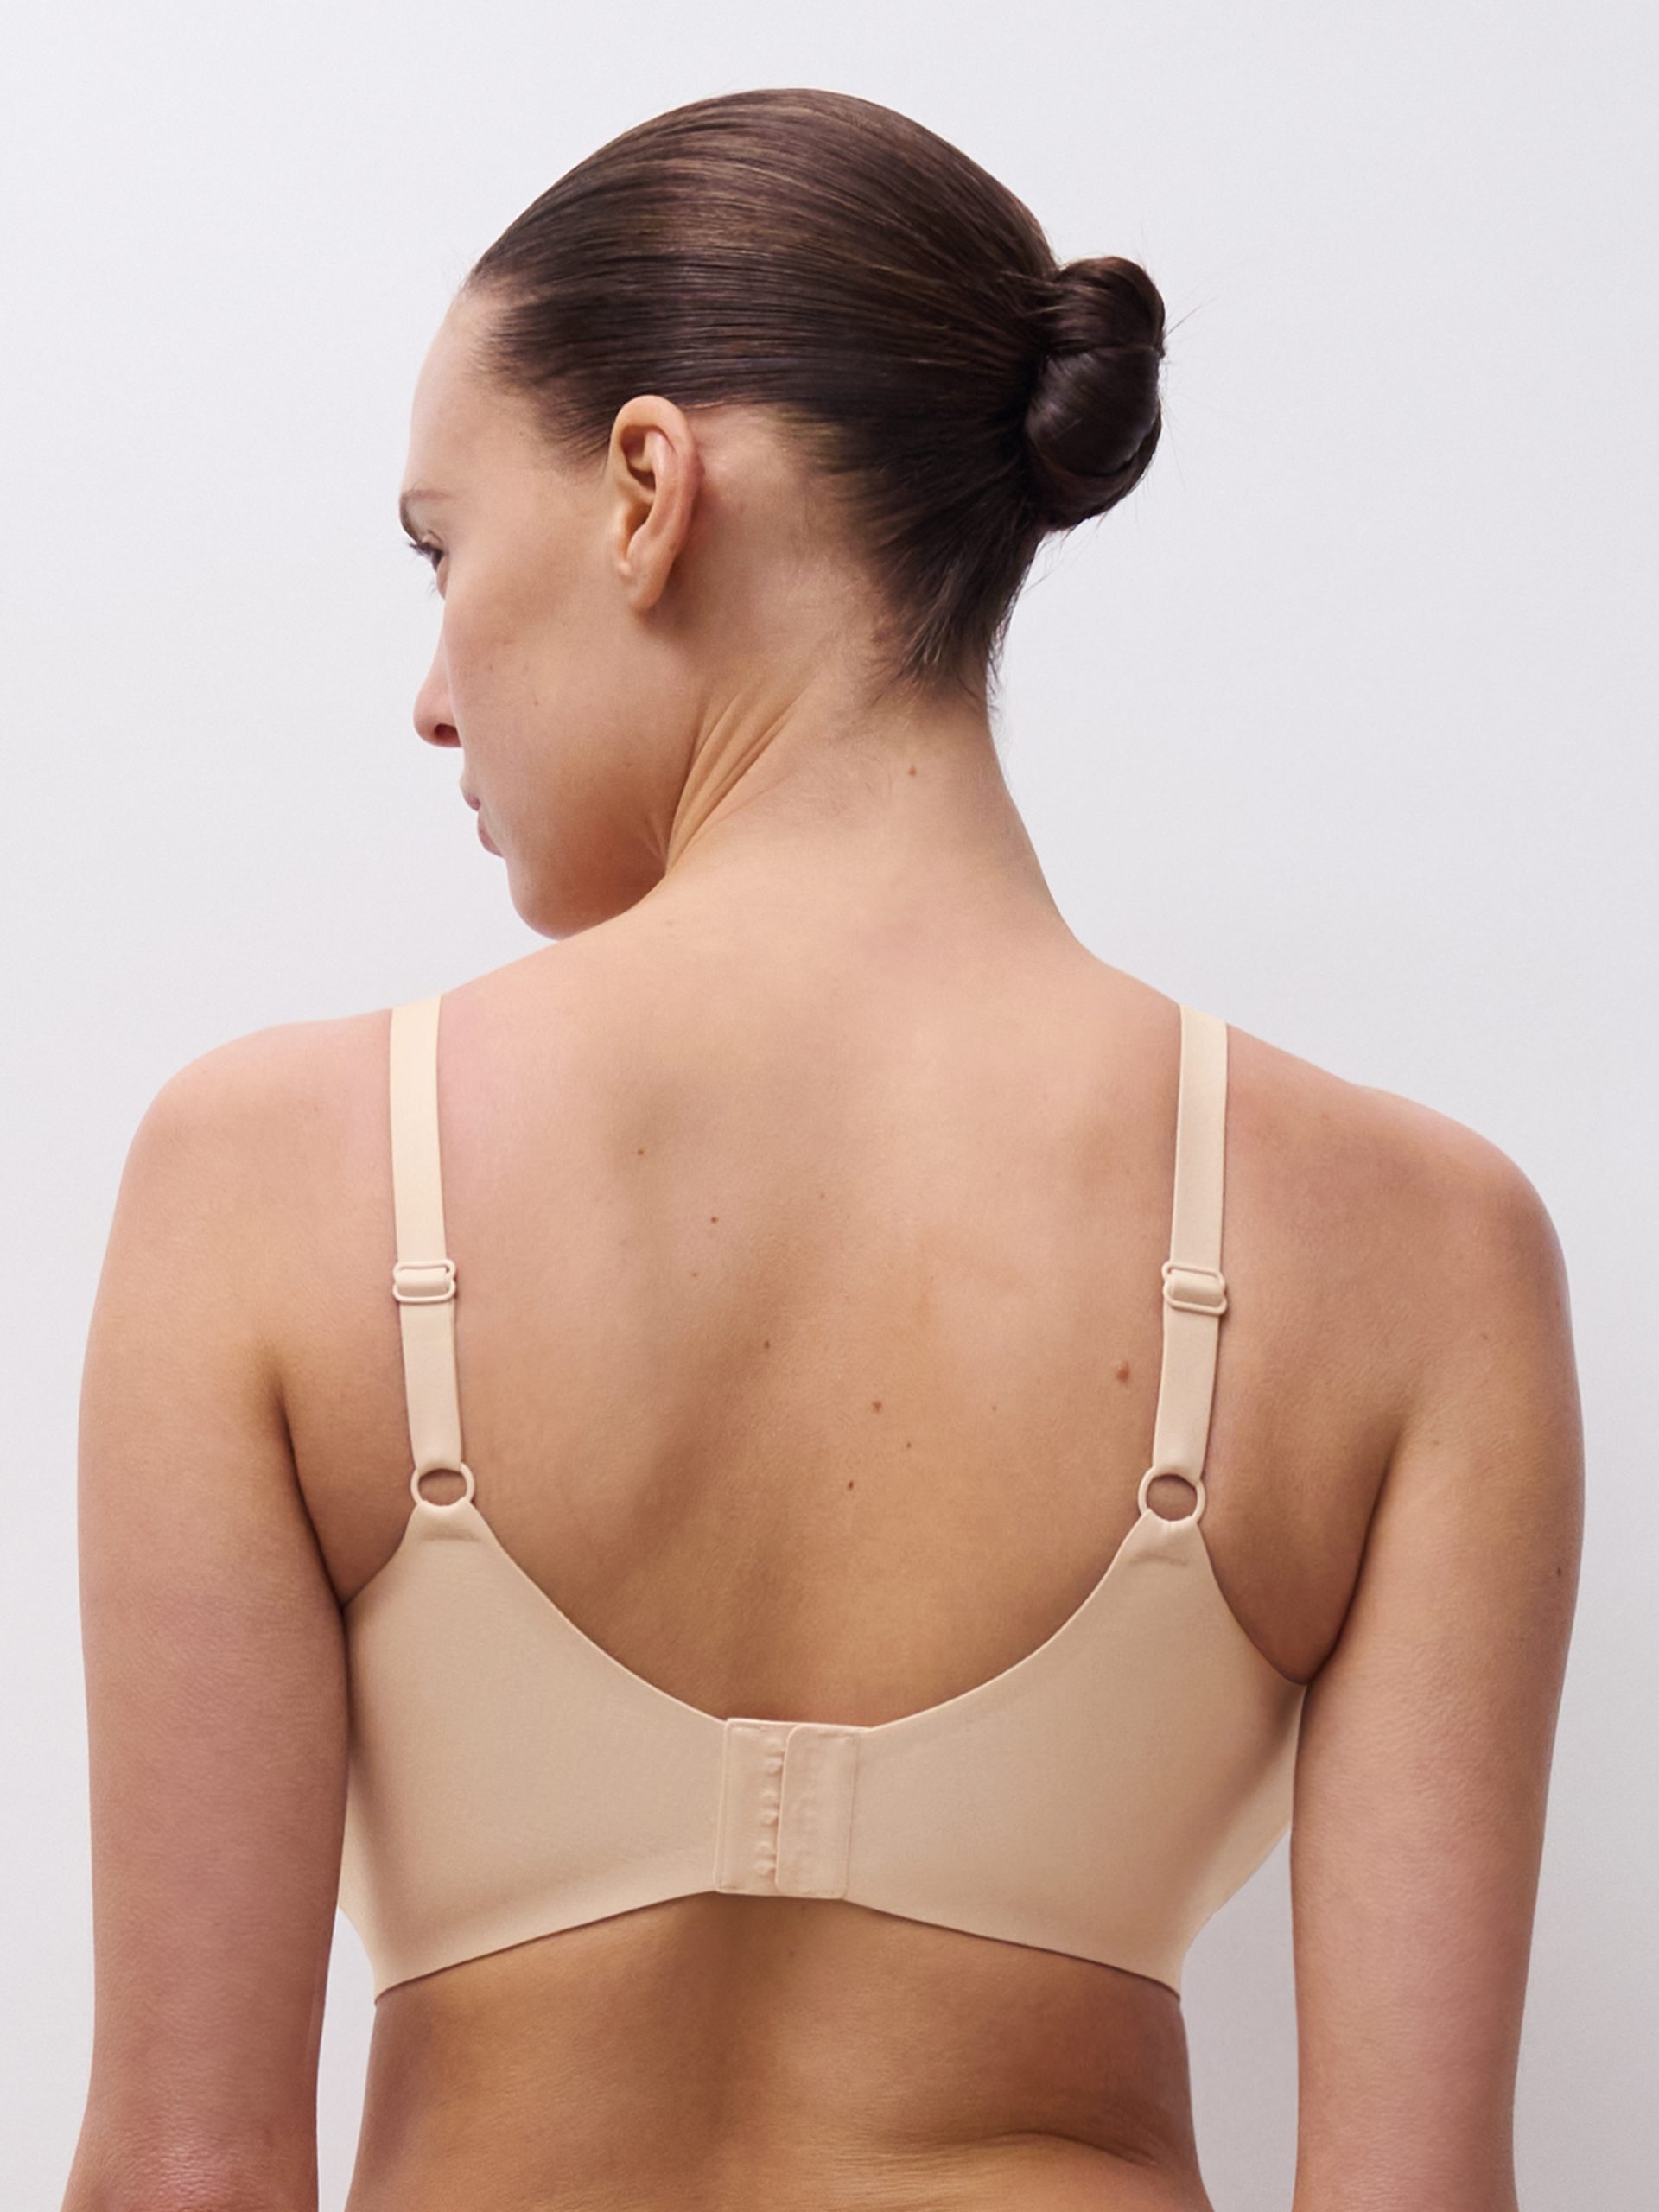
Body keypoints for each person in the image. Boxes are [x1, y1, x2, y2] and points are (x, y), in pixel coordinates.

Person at [62, 86, 1582, 2212]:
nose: (431, 694)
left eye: (439, 546)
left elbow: (185, 2174)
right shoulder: (1422, 1251)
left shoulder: (268, 1178)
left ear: (647, 489)